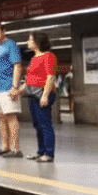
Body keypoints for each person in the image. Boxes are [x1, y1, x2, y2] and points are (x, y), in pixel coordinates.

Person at [0, 23, 24, 158]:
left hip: (7, 87)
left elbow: (17, 66)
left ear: (3, 31)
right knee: (1, 117)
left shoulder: (11, 45)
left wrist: (15, 86)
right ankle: (5, 147)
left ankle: (15, 149)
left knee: (11, 117)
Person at [20, 32, 58, 162]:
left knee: (45, 124)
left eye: (30, 40)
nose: (28, 42)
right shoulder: (34, 58)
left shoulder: (49, 56)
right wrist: (20, 89)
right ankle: (41, 151)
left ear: (37, 42)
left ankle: (49, 154)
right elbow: (29, 78)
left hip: (42, 94)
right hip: (32, 94)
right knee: (37, 125)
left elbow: (50, 77)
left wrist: (45, 95)